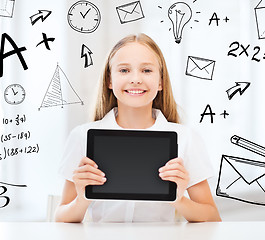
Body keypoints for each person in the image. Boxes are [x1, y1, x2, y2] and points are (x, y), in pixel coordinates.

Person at [55, 33, 221, 223]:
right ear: (110, 80)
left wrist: (178, 198)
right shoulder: (82, 136)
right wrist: (82, 198)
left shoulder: (185, 138)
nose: (135, 79)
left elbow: (213, 217)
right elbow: (61, 217)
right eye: (124, 70)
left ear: (160, 82)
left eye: (147, 70)